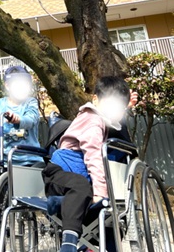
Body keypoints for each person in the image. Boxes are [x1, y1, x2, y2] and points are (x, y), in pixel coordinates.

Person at [42, 76, 131, 252]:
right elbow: (93, 156)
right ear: (95, 99)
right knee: (82, 187)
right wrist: (100, 193)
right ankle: (68, 243)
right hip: (60, 172)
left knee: (106, 206)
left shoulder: (103, 122)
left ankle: (60, 203)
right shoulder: (93, 120)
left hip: (79, 174)